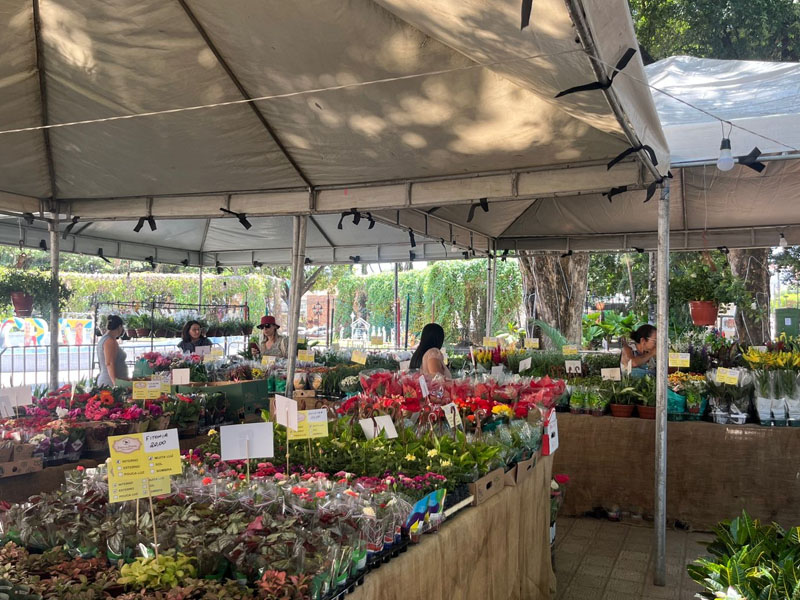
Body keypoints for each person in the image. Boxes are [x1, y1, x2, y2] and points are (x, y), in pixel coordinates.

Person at [96, 315, 128, 387]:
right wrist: (115, 383)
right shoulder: (110, 341)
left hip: (109, 380)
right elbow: (109, 363)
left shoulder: (106, 339)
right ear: (120, 327)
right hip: (109, 382)